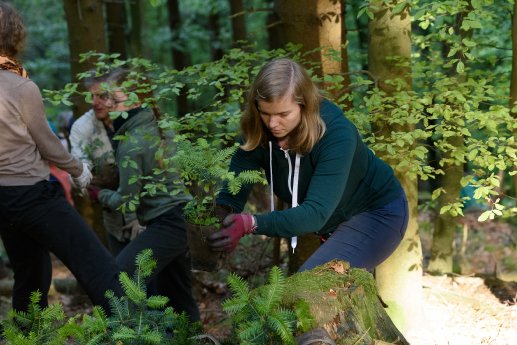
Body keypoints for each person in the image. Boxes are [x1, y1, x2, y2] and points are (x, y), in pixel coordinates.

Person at [208, 58, 409, 272]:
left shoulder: (336, 134)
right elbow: (232, 195)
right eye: (265, 113)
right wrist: (214, 225)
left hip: (377, 213)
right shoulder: (256, 135)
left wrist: (249, 223)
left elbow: (315, 213)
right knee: (334, 297)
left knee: (309, 288)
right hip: (332, 224)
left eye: (283, 114)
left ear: (305, 105)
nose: (272, 124)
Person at [0, 2, 122, 313]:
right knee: (94, 261)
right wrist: (78, 169)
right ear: (14, 35)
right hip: (32, 193)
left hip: (3, 199)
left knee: (31, 275)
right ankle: (136, 327)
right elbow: (48, 144)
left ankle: (29, 334)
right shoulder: (21, 87)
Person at [88, 68, 200, 322]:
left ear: (136, 101)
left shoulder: (131, 142)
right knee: (178, 295)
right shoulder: (158, 126)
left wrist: (100, 194)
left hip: (170, 223)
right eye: (106, 98)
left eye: (114, 101)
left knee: (121, 276)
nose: (108, 105)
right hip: (183, 220)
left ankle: (129, 334)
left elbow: (127, 200)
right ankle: (188, 337)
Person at [70, 71, 143, 255]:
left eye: (102, 96)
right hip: (114, 219)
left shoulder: (137, 117)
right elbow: (78, 173)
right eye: (91, 96)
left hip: (147, 214)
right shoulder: (83, 127)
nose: (95, 103)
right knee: (122, 274)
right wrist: (92, 185)